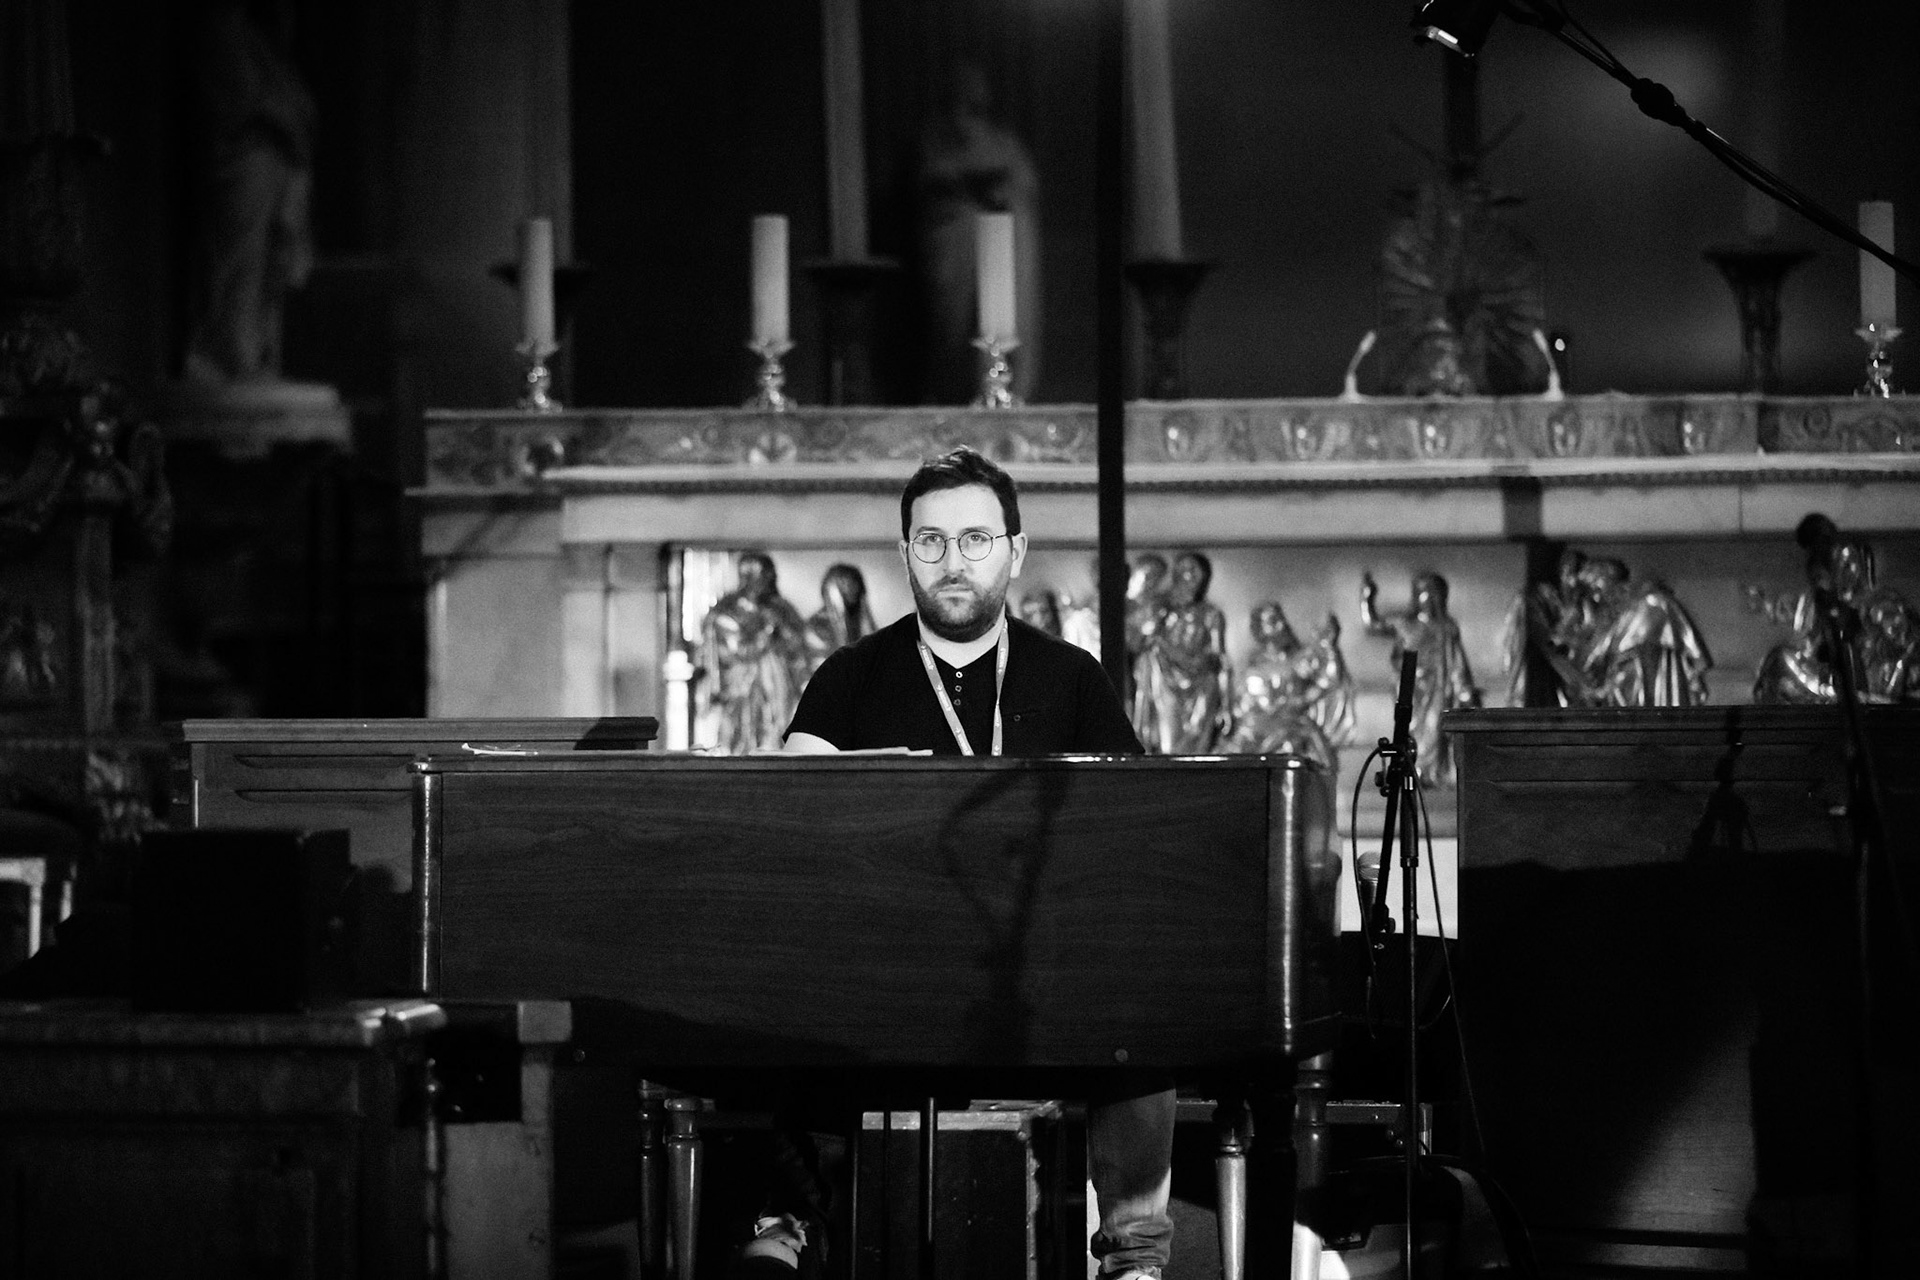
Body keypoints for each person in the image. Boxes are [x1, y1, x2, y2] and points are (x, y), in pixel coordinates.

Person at [778, 447, 1175, 1280]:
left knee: (1146, 998)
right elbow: (792, 822)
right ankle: (786, 1226)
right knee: (783, 971)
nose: (951, 562)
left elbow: (1129, 830)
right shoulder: (849, 677)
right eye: (930, 542)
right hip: (884, 965)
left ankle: (1135, 1259)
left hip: (1043, 973)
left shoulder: (1072, 678)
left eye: (973, 540)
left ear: (1014, 552)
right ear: (905, 553)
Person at [1359, 570, 1481, 787]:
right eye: (1421, 592)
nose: (1426, 597)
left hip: (1438, 687)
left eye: (1430, 592)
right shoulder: (1405, 625)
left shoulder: (1446, 627)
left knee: (1435, 730)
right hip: (1410, 690)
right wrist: (1367, 599)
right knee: (1409, 733)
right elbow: (1374, 625)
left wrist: (1464, 690)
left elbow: (1457, 661)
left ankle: (1431, 776)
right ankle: (1411, 774)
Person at [699, 551, 809, 753]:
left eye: (770, 575)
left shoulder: (781, 608)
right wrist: (767, 631)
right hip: (743, 687)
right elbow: (737, 651)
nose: (768, 580)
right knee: (743, 733)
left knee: (777, 728)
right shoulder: (727, 610)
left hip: (778, 685)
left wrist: (781, 630)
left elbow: (797, 644)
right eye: (763, 575)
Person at [1131, 551, 1231, 754]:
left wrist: (1227, 707)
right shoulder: (1163, 610)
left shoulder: (1211, 614)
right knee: (1169, 747)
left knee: (1198, 749)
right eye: (1185, 571)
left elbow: (1220, 660)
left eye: (1196, 572)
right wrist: (1161, 614)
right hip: (1166, 681)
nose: (1191, 577)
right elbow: (1138, 643)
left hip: (1202, 685)